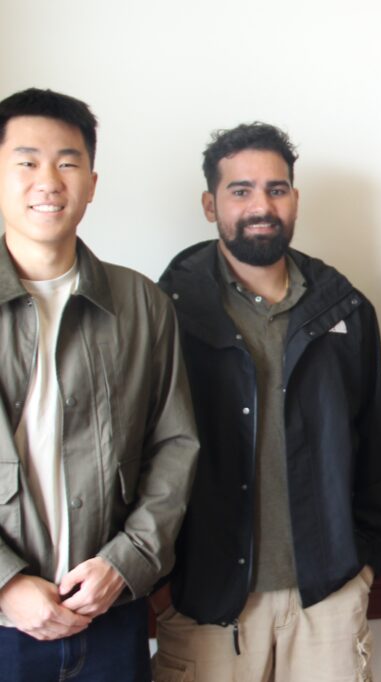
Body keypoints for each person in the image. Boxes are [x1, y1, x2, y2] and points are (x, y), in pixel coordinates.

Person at [151, 122, 381, 681]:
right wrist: (158, 578)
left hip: (326, 599)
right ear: (209, 203)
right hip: (207, 603)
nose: (261, 205)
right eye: (240, 190)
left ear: (294, 199)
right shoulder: (165, 309)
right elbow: (140, 449)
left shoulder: (343, 307)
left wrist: (363, 564)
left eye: (277, 189)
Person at [0, 87, 198, 681]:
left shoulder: (141, 303)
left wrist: (127, 560)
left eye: (68, 162)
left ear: (91, 180)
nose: (49, 180)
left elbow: (175, 446)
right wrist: (5, 582)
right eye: (27, 161)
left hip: (111, 613)